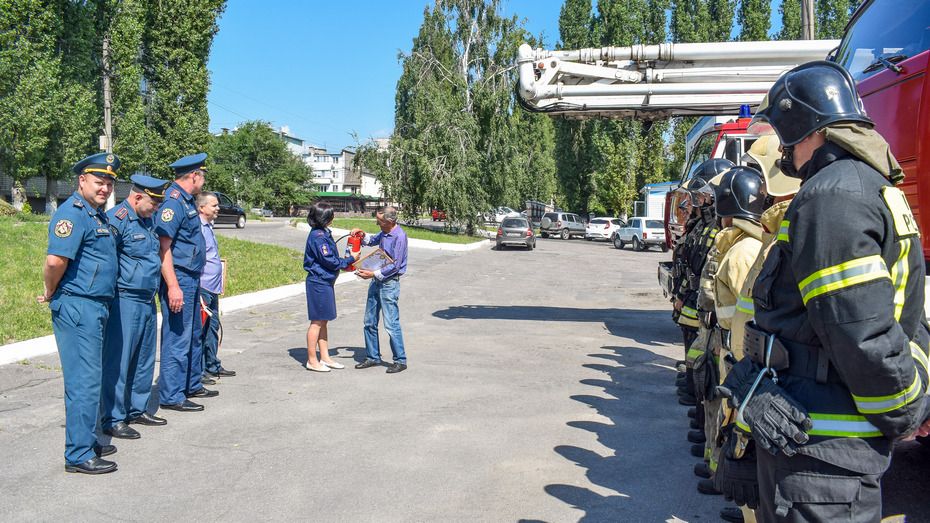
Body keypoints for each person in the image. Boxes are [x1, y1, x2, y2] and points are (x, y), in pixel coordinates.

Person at [723, 60, 930, 520]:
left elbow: (861, 334)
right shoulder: (857, 187)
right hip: (817, 450)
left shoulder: (833, 196)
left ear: (803, 125)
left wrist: (904, 409)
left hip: (822, 460)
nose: (783, 151)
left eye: (783, 135)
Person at [42, 152, 121, 474]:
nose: (104, 188)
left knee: (93, 377)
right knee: (83, 381)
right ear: (82, 181)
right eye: (98, 181)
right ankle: (77, 454)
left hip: (95, 305)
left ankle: (87, 437)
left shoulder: (96, 216)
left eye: (108, 183)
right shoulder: (71, 215)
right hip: (79, 306)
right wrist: (50, 291)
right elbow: (54, 262)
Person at [100, 174, 172, 441]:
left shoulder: (148, 220)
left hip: (146, 298)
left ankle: (136, 409)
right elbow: (108, 260)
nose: (156, 209)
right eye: (153, 203)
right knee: (119, 361)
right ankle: (113, 418)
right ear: (138, 196)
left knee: (143, 359)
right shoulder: (117, 219)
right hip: (124, 298)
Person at [155, 152, 215, 412]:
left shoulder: (188, 202)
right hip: (179, 278)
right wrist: (173, 286)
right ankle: (171, 395)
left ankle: (190, 383)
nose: (203, 181)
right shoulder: (173, 203)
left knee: (192, 334)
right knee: (177, 336)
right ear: (194, 176)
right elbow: (163, 248)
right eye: (202, 176)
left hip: (192, 277)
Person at [352, 206, 409, 373]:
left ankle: (400, 360)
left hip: (389, 284)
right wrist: (361, 235)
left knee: (391, 324)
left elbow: (395, 265)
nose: (377, 223)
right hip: (376, 282)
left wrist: (372, 274)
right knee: (369, 321)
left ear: (390, 221)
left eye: (380, 221)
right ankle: (373, 357)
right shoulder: (385, 232)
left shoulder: (399, 236)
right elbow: (371, 240)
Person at [302, 202, 358, 372]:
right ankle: (312, 360)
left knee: (324, 320)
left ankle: (325, 357)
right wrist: (350, 260)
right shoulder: (318, 237)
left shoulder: (323, 232)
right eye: (331, 214)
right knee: (317, 322)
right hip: (318, 282)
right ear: (325, 218)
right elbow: (329, 260)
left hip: (325, 282)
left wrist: (352, 234)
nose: (333, 217)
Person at [197, 191, 235, 380]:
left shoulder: (208, 226)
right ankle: (200, 370)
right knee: (201, 331)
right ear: (201, 207)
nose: (218, 208)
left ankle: (212, 364)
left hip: (213, 287)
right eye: (214, 205)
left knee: (212, 328)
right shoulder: (198, 229)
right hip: (202, 287)